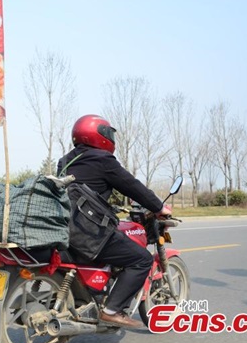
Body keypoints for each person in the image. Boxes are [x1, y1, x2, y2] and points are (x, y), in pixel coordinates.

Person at [57, 114, 172, 329]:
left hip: (66, 230)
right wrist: (159, 207)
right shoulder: (102, 159)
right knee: (142, 260)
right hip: (87, 234)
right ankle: (111, 310)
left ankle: (96, 295)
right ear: (99, 135)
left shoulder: (66, 161)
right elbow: (131, 185)